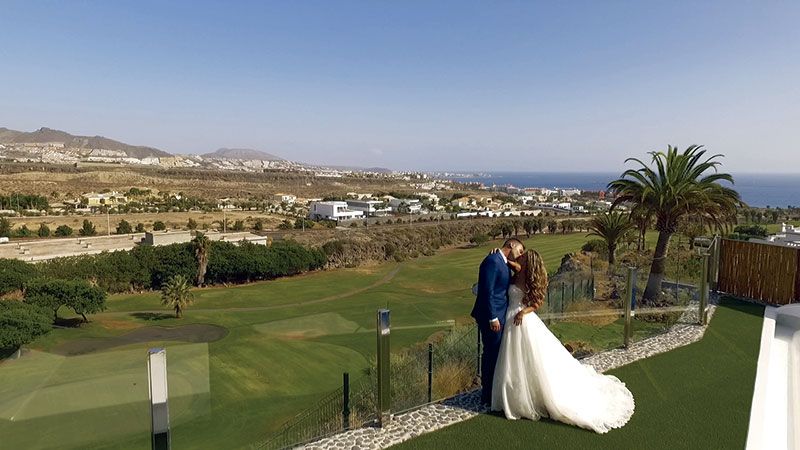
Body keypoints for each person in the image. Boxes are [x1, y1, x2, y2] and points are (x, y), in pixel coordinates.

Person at [491, 249, 635, 433]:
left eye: (523, 256)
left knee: (529, 358)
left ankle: (530, 396)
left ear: (529, 262)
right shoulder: (518, 270)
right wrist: (498, 253)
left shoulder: (528, 278)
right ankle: (514, 394)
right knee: (514, 359)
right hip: (510, 318)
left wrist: (523, 312)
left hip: (521, 319)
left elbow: (536, 303)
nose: (520, 256)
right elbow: (507, 262)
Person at [470, 238, 525, 405]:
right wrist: (492, 317)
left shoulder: (502, 261)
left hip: (501, 315)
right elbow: (487, 291)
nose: (520, 255)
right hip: (492, 317)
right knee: (491, 353)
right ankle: (487, 395)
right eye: (520, 251)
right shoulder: (493, 261)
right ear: (511, 245)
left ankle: (494, 391)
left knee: (496, 353)